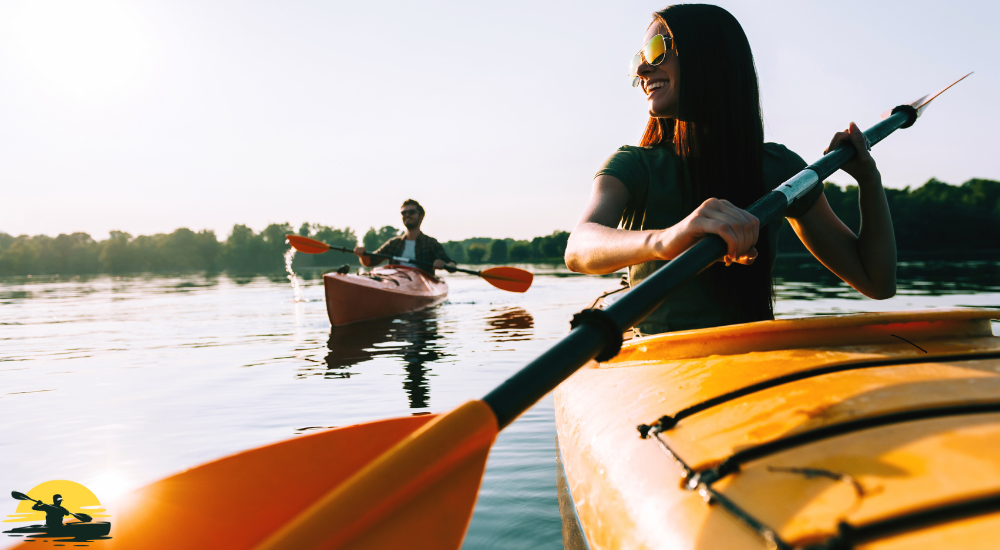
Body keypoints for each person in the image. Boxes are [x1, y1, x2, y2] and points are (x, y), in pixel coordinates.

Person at [564, 4, 896, 336]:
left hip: (751, 358)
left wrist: (868, 178)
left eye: (656, 51)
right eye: (640, 59)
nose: (643, 70)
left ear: (708, 57)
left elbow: (877, 282)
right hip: (656, 365)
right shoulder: (633, 165)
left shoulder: (779, 169)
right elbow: (578, 249)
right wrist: (666, 239)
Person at [353, 199, 457, 273]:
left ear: (421, 216)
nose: (407, 215)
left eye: (411, 212)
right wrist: (362, 255)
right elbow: (370, 261)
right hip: (396, 280)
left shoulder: (430, 243)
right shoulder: (394, 243)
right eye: (403, 213)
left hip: (420, 283)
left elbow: (451, 265)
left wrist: (444, 264)